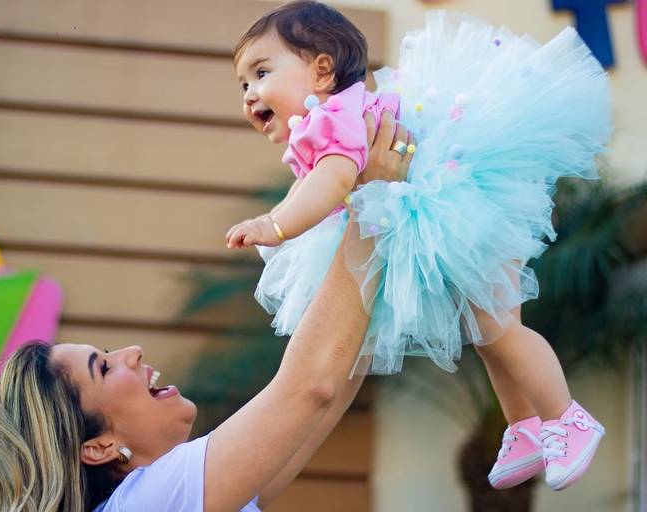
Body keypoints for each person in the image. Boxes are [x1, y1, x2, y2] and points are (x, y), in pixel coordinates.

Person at [225, 1, 610, 491]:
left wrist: (275, 226)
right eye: (243, 84)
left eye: (260, 73)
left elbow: (333, 181)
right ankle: (526, 428)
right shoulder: (324, 124)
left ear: (322, 70)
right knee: (488, 326)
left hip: (459, 193)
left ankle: (567, 418)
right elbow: (315, 184)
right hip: (441, 200)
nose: (249, 93)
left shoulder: (338, 118)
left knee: (496, 323)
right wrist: (279, 221)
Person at [0, 110, 410, 511]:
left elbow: (332, 386)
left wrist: (361, 221)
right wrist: (374, 201)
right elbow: (311, 386)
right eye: (103, 367)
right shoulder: (149, 500)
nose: (132, 351)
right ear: (99, 447)